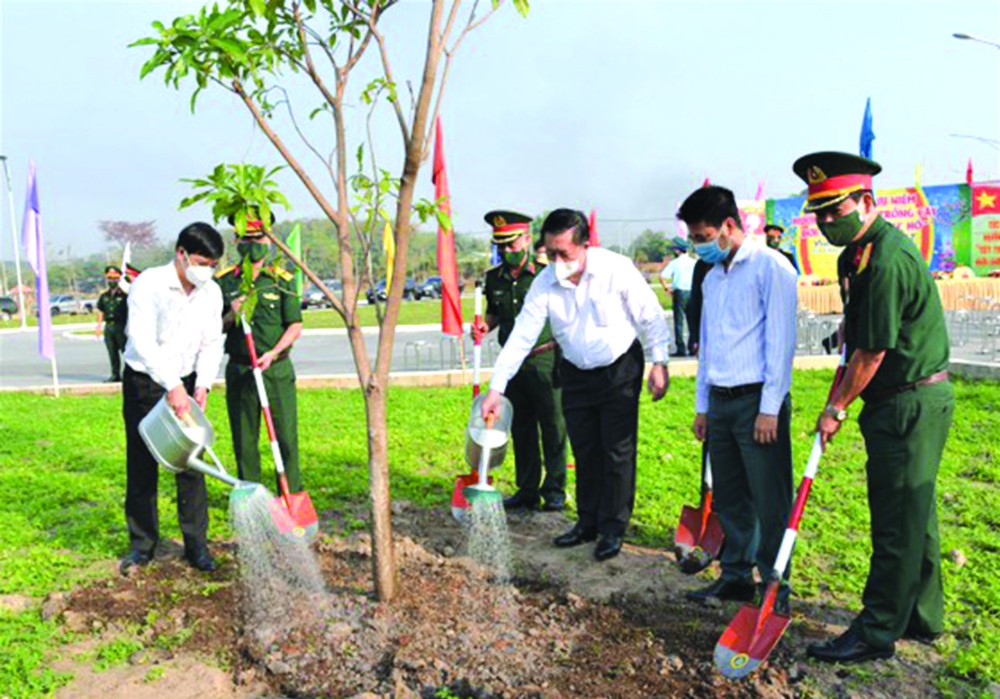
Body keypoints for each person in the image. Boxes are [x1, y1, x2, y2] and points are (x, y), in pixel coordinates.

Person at [794, 151, 954, 664]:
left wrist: (835, 408)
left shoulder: (886, 257)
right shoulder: (856, 256)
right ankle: (923, 616)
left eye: (833, 210)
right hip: (898, 399)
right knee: (915, 514)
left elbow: (872, 351)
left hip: (909, 401)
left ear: (866, 201)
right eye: (817, 213)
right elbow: (864, 325)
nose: (824, 222)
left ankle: (878, 628)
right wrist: (847, 327)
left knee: (894, 521)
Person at [481, 208, 671, 562]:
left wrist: (659, 362)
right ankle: (587, 521)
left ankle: (612, 527)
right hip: (575, 371)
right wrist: (497, 388)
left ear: (584, 245)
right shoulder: (544, 283)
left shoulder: (616, 269)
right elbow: (521, 335)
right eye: (550, 253)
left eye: (563, 254)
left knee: (616, 450)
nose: (556, 262)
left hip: (619, 369)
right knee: (584, 448)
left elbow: (650, 316)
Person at [678, 186, 798, 613]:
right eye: (693, 238)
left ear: (729, 226)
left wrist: (770, 408)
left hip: (756, 402)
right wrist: (702, 405)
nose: (699, 245)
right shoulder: (712, 277)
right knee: (729, 495)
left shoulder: (772, 268)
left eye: (703, 236)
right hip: (722, 402)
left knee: (769, 497)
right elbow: (707, 345)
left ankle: (773, 584)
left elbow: (781, 343)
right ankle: (734, 576)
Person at [120, 222, 225, 574]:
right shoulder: (149, 284)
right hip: (145, 380)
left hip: (188, 378)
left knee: (190, 463)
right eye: (200, 262)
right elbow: (144, 341)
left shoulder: (211, 292)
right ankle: (142, 546)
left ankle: (196, 546)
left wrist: (203, 385)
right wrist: (172, 386)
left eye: (212, 265)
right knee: (142, 461)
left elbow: (212, 342)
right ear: (180, 254)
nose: (205, 271)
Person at [472, 210, 568, 512]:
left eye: (512, 245)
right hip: (513, 365)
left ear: (526, 240)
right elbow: (495, 314)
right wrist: (485, 326)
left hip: (544, 358)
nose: (507, 252)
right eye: (501, 246)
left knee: (553, 424)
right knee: (521, 427)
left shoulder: (545, 274)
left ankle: (554, 489)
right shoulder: (494, 278)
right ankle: (527, 489)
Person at [215, 211, 305, 493]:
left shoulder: (281, 279)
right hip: (241, 369)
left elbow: (294, 326)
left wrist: (274, 352)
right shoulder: (225, 281)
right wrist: (233, 312)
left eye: (258, 237)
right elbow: (213, 327)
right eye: (246, 238)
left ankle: (291, 494)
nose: (252, 243)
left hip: (275, 369)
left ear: (268, 239)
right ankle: (251, 497)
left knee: (286, 436)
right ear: (236, 239)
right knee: (244, 439)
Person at [658, 242, 697, 356]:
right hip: (692, 293)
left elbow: (662, 276)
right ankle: (692, 347)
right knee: (692, 322)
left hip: (679, 293)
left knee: (679, 322)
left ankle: (681, 348)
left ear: (677, 251)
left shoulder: (675, 263)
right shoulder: (694, 262)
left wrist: (666, 287)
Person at [96, 265, 128, 382]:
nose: (112, 281)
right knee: (112, 352)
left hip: (121, 326)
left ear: (119, 278)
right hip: (109, 327)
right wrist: (99, 326)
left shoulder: (124, 296)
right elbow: (100, 310)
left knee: (126, 352)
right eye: (109, 278)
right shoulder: (104, 296)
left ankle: (128, 375)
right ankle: (115, 375)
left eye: (114, 278)